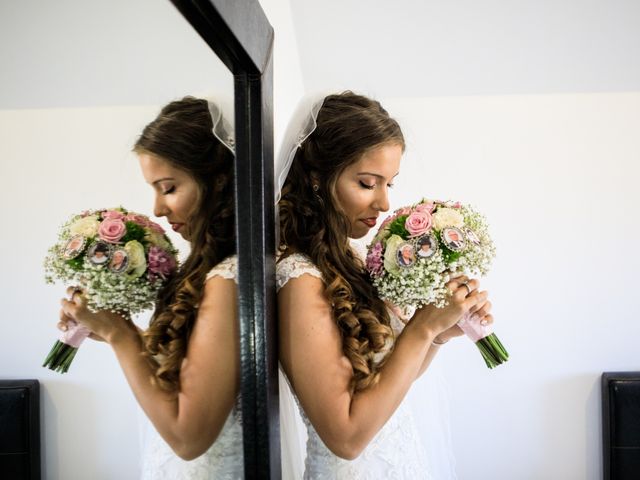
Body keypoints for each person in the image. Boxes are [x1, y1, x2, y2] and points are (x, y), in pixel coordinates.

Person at [276, 91, 494, 478]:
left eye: (389, 183)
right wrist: (423, 326)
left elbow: (386, 380)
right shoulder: (299, 280)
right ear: (315, 180)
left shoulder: (353, 259)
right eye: (367, 183)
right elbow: (345, 438)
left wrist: (440, 332)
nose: (384, 203)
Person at [57, 96, 243, 479]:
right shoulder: (211, 271)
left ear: (218, 181)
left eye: (169, 187)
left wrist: (119, 332)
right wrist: (109, 330)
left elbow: (188, 438)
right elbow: (197, 370)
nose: (157, 208)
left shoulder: (228, 281)